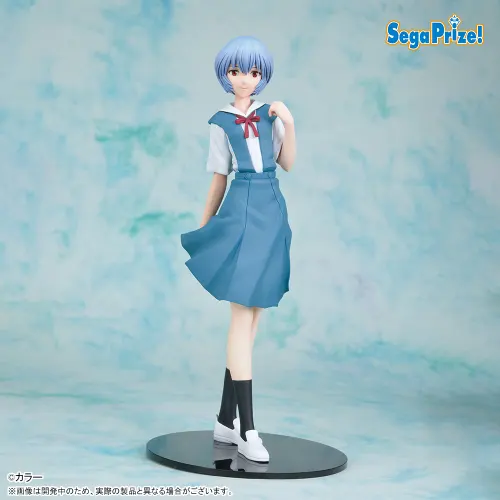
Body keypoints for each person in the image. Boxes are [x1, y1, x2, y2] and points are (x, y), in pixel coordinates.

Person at [181, 36, 296, 463]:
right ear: (225, 75)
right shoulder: (220, 122)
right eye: (235, 71)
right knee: (241, 318)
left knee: (253, 319)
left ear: (262, 75)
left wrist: (289, 123)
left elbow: (288, 163)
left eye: (252, 71)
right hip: (240, 211)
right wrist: (206, 228)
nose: (244, 79)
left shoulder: (271, 115)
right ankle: (247, 428)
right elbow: (218, 177)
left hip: (272, 211)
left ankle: (225, 420)